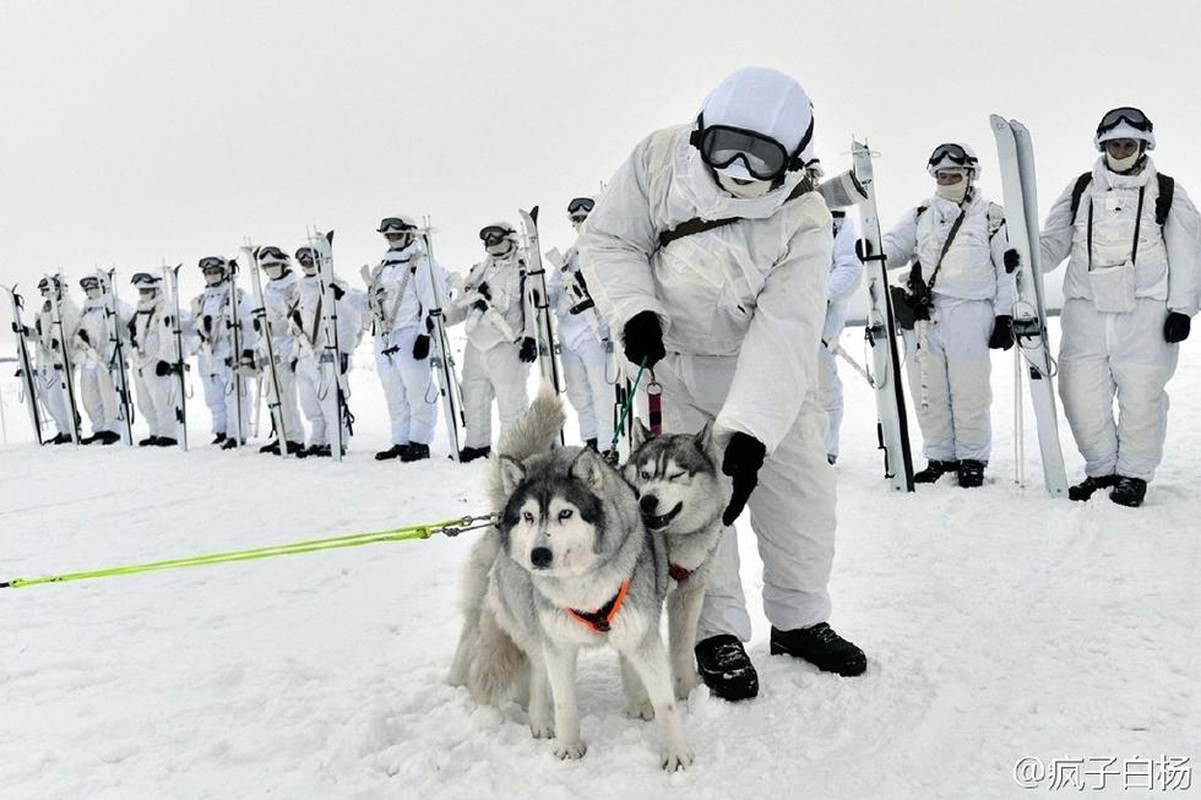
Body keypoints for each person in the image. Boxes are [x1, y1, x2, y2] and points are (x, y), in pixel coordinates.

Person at [580, 66, 865, 702]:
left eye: (760, 156)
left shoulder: (805, 219)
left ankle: (799, 619)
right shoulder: (657, 160)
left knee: (801, 502)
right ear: (702, 132)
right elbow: (609, 238)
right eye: (726, 147)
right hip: (672, 368)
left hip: (770, 376)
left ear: (792, 160)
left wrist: (749, 434)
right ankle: (715, 631)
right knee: (691, 512)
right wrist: (634, 311)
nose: (738, 167)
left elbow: (787, 330)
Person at [1039, 107, 1201, 507]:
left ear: (1144, 145)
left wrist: (1182, 309)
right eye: (1114, 143)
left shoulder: (1166, 190)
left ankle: (1133, 475)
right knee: (1078, 393)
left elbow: (1188, 253)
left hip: (1145, 312)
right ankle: (1102, 469)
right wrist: (1020, 253)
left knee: (1141, 396)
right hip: (1086, 310)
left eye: (1129, 143)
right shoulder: (1080, 189)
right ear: (1102, 144)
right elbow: (1053, 243)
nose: (1121, 149)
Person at [880, 143, 1015, 488]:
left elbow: (1006, 269)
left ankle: (972, 458)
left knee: (969, 387)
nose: (948, 179)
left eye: (955, 174)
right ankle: (940, 456)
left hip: (971, 310)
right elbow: (895, 247)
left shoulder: (991, 216)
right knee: (928, 387)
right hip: (928, 314)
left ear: (970, 175)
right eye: (942, 175)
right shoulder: (921, 214)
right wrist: (873, 249)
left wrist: (1004, 316)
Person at [444, 221, 537, 462]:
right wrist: (440, 318)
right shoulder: (479, 270)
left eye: (496, 237)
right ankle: (476, 445)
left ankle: (512, 451)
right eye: (487, 239)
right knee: (473, 397)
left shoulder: (523, 269)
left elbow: (533, 306)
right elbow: (463, 304)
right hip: (476, 345)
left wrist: (531, 337)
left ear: (510, 238)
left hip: (507, 345)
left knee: (511, 402)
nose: (491, 242)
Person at [363, 216, 449, 462]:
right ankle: (400, 440)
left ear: (410, 235)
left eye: (397, 235)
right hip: (385, 336)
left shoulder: (420, 264)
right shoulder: (381, 268)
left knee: (418, 390)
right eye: (388, 235)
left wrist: (424, 335)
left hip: (410, 333)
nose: (392, 239)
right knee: (394, 392)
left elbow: (432, 301)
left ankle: (420, 441)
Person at [548, 196, 616, 453]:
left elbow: (614, 290)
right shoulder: (568, 256)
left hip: (595, 334)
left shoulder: (606, 251)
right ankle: (591, 438)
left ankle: (608, 443)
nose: (579, 223)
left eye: (584, 218)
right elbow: (553, 293)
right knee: (577, 392)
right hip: (567, 335)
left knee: (602, 392)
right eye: (575, 219)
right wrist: (539, 296)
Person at [291, 245, 360, 457]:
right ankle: (317, 440)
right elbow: (297, 323)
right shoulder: (300, 286)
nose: (306, 262)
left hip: (328, 352)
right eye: (302, 259)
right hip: (305, 353)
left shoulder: (335, 285)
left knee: (331, 400)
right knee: (309, 403)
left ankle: (336, 440)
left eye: (310, 258)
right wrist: (295, 354)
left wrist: (345, 351)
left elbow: (350, 320)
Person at [190, 256, 257, 449]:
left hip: (231, 355)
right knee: (214, 399)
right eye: (208, 273)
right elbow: (194, 328)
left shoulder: (238, 297)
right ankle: (221, 431)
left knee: (235, 397)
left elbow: (250, 327)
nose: (211, 276)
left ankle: (237, 433)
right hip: (209, 356)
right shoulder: (200, 301)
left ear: (226, 272)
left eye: (215, 271)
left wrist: (248, 352)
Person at [817, 209, 863, 464]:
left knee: (823, 384)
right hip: (778, 314)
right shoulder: (772, 210)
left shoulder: (837, 223)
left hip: (821, 319)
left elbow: (850, 267)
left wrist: (819, 296)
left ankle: (825, 450)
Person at [253, 247, 307, 456]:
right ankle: (282, 434)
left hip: (288, 346)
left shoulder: (294, 286)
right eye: (266, 266)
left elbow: (295, 319)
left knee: (286, 395)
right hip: (270, 346)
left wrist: (295, 352)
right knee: (273, 395)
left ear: (284, 264)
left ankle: (294, 437)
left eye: (273, 264)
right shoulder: (268, 288)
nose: (270, 269)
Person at [127, 272, 183, 447]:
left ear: (156, 289)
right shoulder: (140, 311)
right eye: (141, 290)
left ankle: (168, 433)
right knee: (144, 401)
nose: (143, 293)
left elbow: (167, 335)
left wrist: (165, 359)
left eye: (147, 289)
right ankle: (155, 431)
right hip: (140, 361)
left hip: (156, 361)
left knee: (161, 398)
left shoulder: (164, 308)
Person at [73, 274, 128, 444]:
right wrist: (80, 337)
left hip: (107, 357)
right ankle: (99, 428)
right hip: (90, 358)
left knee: (109, 394)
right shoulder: (87, 310)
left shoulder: (115, 305)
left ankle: (113, 428)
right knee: (90, 395)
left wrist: (122, 349)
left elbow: (130, 325)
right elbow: (78, 329)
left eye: (93, 287)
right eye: (87, 288)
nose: (90, 291)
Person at [28, 275, 80, 444]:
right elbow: (43, 335)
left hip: (60, 359)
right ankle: (62, 429)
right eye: (43, 291)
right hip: (46, 359)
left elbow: (71, 331)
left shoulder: (67, 307)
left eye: (47, 290)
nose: (45, 294)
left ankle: (70, 428)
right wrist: (27, 333)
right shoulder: (47, 309)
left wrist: (58, 341)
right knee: (47, 398)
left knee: (58, 397)